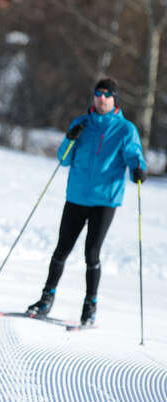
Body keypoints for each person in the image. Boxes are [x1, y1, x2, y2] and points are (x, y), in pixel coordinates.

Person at [27, 78, 146, 326]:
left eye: (107, 95)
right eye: (98, 94)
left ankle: (90, 306)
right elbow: (64, 159)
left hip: (105, 200)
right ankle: (46, 298)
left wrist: (138, 169)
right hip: (77, 196)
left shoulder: (125, 129)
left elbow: (134, 155)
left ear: (114, 100)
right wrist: (70, 138)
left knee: (92, 253)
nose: (101, 99)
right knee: (62, 249)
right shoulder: (80, 124)